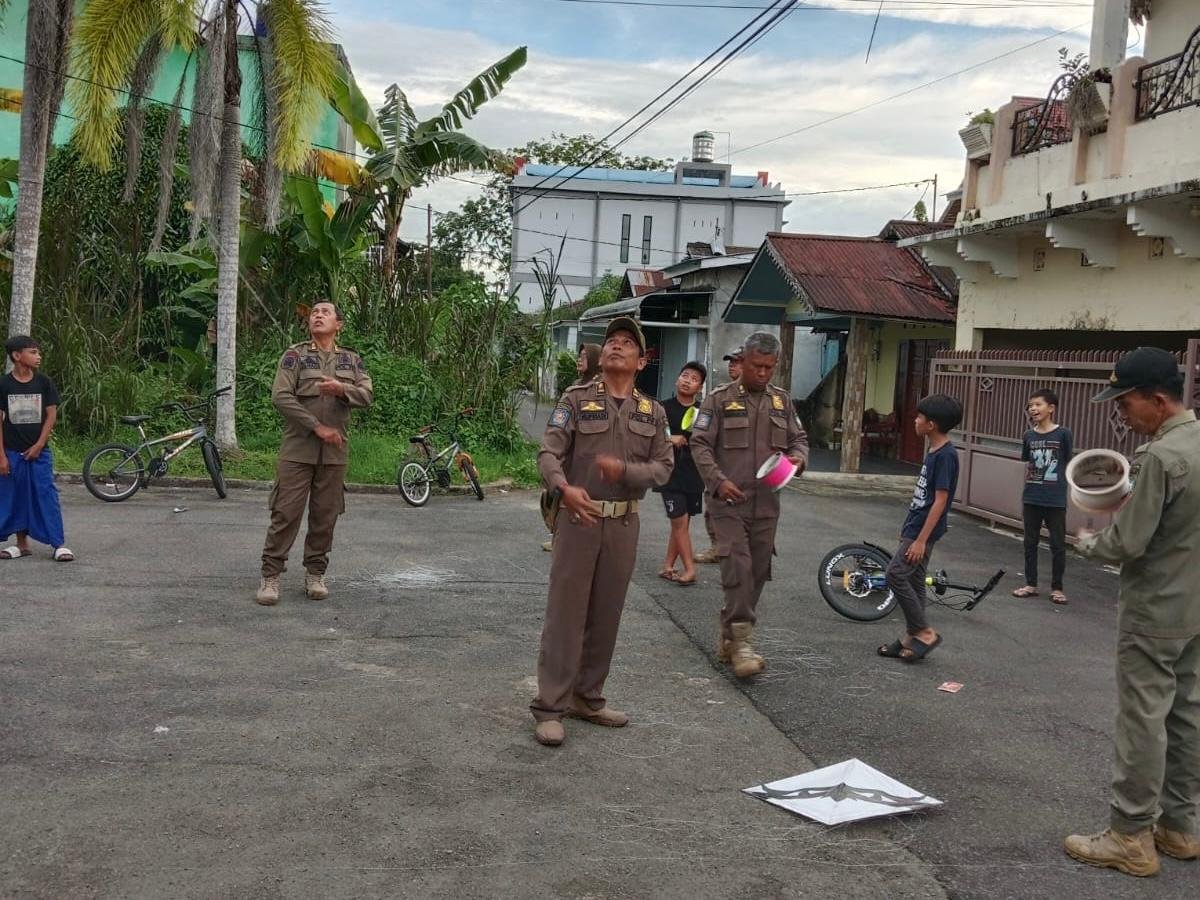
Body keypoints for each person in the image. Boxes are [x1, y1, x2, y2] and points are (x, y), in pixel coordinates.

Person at [1064, 347, 1200, 877]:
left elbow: (1129, 541)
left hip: (1154, 609)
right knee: (1186, 714)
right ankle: (1180, 827)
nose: (1121, 413)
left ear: (1159, 400)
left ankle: (1129, 835)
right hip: (1193, 606)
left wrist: (1088, 542)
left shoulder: (1160, 458)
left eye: (1126, 402)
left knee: (1143, 720)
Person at [532, 316, 673, 746]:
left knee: (606, 614)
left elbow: (663, 467)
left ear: (641, 360)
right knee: (566, 614)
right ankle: (550, 707)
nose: (616, 345)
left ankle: (587, 697)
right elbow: (548, 453)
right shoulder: (575, 399)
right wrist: (563, 488)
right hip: (579, 519)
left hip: (624, 522)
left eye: (627, 342)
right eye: (612, 340)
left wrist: (626, 471)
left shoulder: (653, 412)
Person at [691, 332, 807, 678]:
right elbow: (700, 444)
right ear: (742, 361)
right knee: (738, 566)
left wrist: (798, 459)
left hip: (767, 504)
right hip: (728, 502)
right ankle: (742, 641)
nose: (763, 373)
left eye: (769, 367)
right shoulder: (718, 400)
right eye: (757, 366)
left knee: (756, 573)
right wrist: (717, 481)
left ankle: (730, 633)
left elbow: (799, 439)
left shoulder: (781, 402)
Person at [256, 301, 373, 605]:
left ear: (339, 325)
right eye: (314, 313)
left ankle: (315, 574)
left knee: (325, 517)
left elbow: (367, 395)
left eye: (325, 312)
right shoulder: (295, 355)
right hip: (297, 450)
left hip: (334, 453)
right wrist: (316, 426)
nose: (317, 315)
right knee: (285, 514)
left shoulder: (351, 360)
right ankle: (270, 577)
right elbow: (280, 396)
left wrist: (342, 390)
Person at [877, 394, 962, 663]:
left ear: (931, 425)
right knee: (914, 580)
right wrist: (908, 530)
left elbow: (940, 501)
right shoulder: (934, 451)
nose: (915, 420)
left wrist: (920, 540)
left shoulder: (945, 456)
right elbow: (922, 498)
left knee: (894, 574)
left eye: (919, 417)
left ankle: (923, 632)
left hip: (924, 531)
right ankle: (911, 637)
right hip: (916, 527)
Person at [0, 336, 73, 562]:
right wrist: (2, 456)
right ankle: (21, 545)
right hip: (12, 452)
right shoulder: (4, 385)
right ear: (17, 355)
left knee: (46, 494)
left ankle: (58, 544)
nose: (38, 356)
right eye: (33, 352)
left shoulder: (43, 382)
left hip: (40, 453)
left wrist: (40, 444)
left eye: (38, 352)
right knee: (16, 496)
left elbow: (51, 414)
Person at [1012, 389, 1073, 604]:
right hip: (1031, 497)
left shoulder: (1063, 434)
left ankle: (1057, 588)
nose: (1033, 409)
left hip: (1055, 498)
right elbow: (1028, 462)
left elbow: (1067, 460)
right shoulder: (1028, 435)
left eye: (1038, 404)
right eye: (1030, 405)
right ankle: (1031, 584)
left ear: (1051, 408)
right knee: (1030, 543)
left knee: (1058, 545)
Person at [542, 343, 604, 552]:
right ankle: (558, 536)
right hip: (567, 455)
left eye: (585, 356)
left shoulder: (602, 390)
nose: (579, 359)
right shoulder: (576, 388)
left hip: (588, 462)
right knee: (558, 498)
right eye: (579, 356)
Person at [656, 360, 707, 586]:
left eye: (694, 379)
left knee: (682, 524)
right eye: (685, 375)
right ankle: (689, 569)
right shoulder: (661, 408)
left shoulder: (704, 412)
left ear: (700, 387)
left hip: (694, 474)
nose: (687, 381)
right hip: (669, 473)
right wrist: (670, 438)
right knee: (679, 521)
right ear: (677, 379)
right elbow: (650, 436)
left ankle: (668, 566)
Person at [695, 345, 744, 565]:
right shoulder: (719, 396)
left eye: (737, 361)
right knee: (714, 506)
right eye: (730, 361)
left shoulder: (767, 398)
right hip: (722, 463)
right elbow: (702, 434)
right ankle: (717, 547)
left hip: (749, 467)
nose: (732, 365)